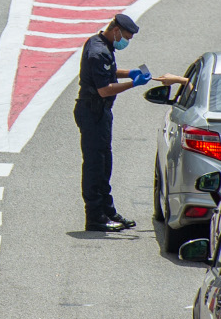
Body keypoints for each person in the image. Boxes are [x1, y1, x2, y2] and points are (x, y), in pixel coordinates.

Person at [74, 14, 180, 232]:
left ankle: (108, 210)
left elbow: (107, 72)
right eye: (127, 37)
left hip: (100, 113)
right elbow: (104, 89)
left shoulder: (101, 43)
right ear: (116, 31)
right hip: (93, 112)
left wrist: (128, 73)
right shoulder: (97, 51)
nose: (127, 42)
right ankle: (95, 217)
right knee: (95, 166)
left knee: (105, 163)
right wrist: (133, 83)